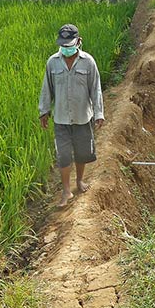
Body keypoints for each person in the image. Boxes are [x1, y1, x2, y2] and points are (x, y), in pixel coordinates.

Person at [39, 24, 105, 207]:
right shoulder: (52, 62)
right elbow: (47, 88)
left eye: (70, 45)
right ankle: (66, 190)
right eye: (64, 45)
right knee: (64, 155)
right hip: (61, 118)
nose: (67, 49)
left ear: (78, 41)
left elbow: (95, 89)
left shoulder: (88, 62)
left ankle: (80, 181)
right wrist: (44, 111)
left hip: (83, 116)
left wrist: (99, 113)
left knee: (82, 152)